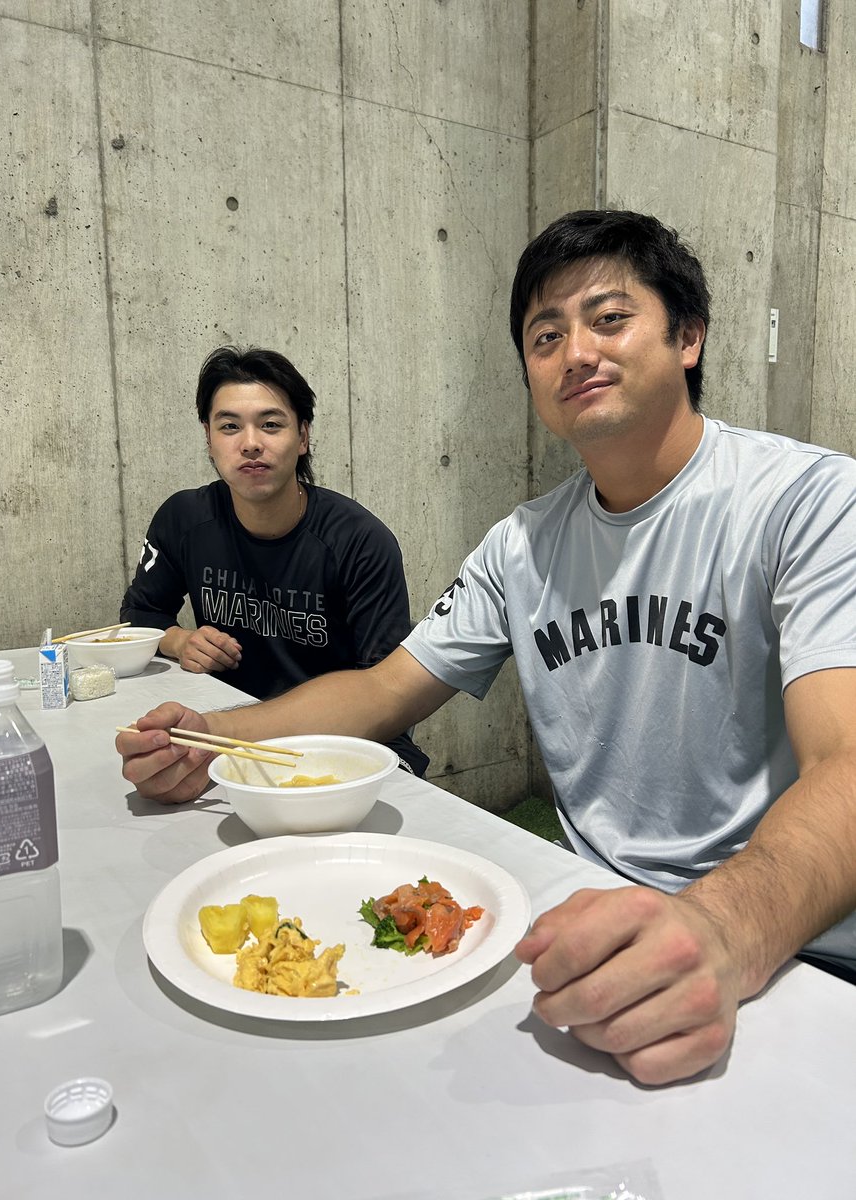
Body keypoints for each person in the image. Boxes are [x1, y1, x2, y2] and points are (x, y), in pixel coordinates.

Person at [117, 212, 856, 1085]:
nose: (576, 350)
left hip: (787, 942)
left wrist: (725, 929)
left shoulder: (810, 502)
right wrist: (220, 741)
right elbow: (385, 688)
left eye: (609, 318)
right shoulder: (523, 544)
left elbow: (845, 761)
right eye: (547, 335)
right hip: (583, 914)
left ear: (687, 336)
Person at [119, 345, 428, 776]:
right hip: (229, 727)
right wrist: (179, 640)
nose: (250, 444)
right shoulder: (184, 520)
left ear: (303, 437)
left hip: (343, 743)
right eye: (229, 426)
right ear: (207, 436)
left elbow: (386, 691)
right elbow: (137, 616)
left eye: (270, 425)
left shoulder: (360, 542)